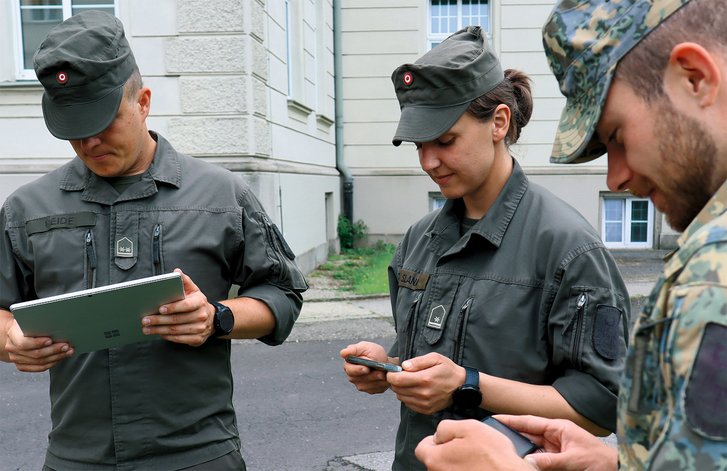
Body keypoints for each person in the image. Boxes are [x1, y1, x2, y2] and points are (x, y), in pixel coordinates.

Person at [414, 0, 727, 469]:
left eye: (616, 135)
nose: (615, 179)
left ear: (695, 78)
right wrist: (612, 465)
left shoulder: (708, 271)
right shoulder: (424, 235)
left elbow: (601, 397)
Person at [0, 11, 307, 471]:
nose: (89, 141)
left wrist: (218, 317)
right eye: (73, 128)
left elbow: (281, 295)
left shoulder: (222, 196)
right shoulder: (26, 210)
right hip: (76, 458)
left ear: (142, 102)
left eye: (103, 121)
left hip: (198, 456)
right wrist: (11, 338)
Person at [340, 26, 632, 470]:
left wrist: (468, 385)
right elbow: (427, 353)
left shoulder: (569, 249)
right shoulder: (420, 239)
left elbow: (602, 406)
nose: (429, 162)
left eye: (445, 140)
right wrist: (388, 366)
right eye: (420, 145)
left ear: (499, 122)